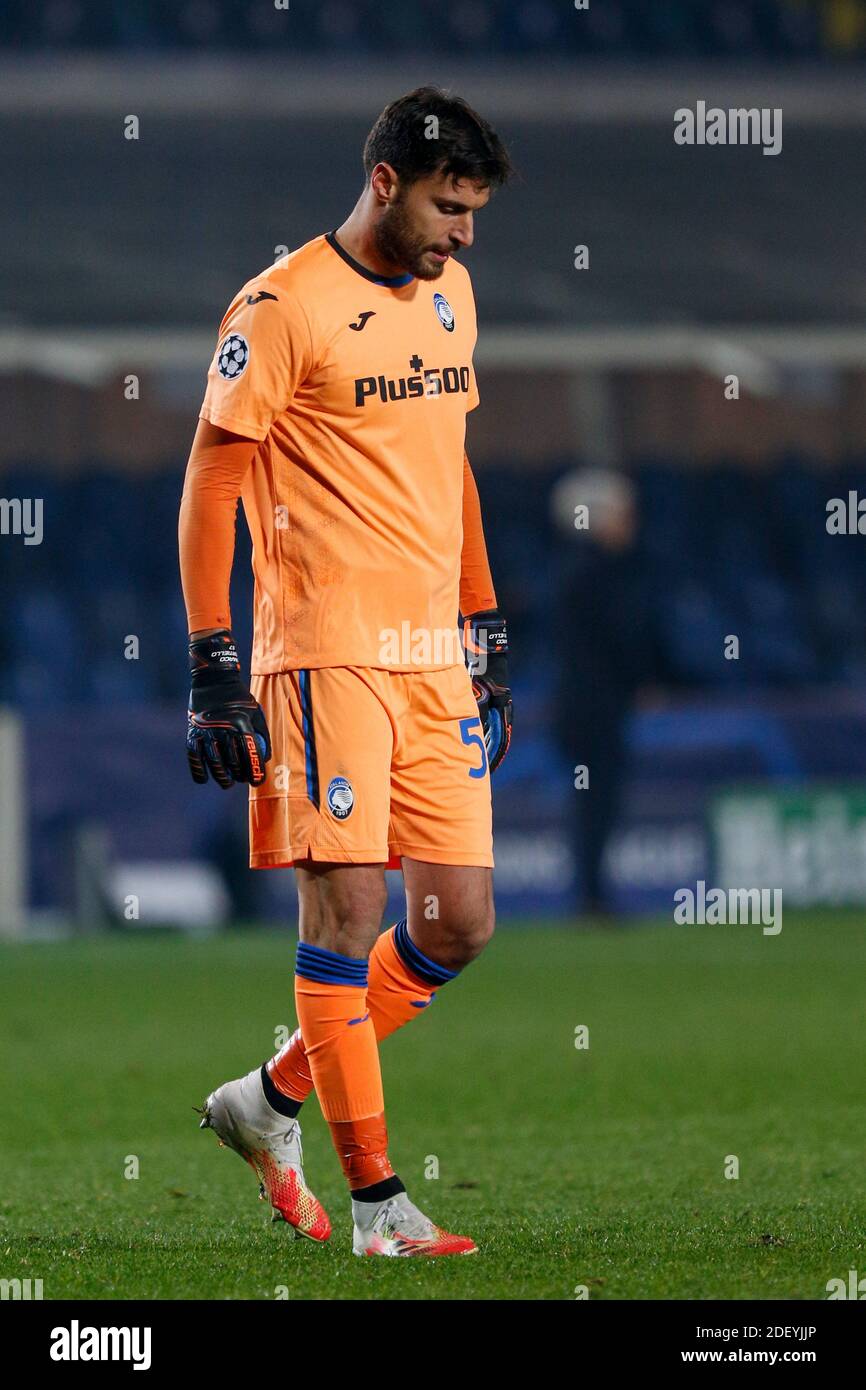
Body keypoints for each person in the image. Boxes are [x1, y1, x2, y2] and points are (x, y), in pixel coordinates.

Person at [178, 88, 514, 1256]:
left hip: (432, 655)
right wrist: (212, 656)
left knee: (458, 920)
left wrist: (483, 620)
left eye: (471, 210)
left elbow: (452, 456)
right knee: (350, 904)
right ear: (385, 182)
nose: (462, 232)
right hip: (322, 649)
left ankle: (268, 1098)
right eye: (447, 205)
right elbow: (211, 481)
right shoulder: (279, 307)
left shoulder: (452, 294)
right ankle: (377, 1203)